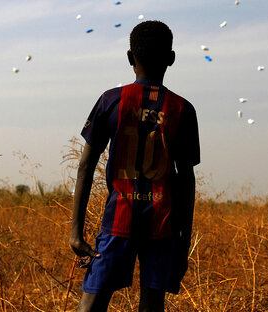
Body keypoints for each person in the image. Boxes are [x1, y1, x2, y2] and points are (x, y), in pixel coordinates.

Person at [69, 20, 200, 312]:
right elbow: (186, 181)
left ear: (130, 58)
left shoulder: (111, 100)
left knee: (91, 302)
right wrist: (183, 241)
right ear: (171, 59)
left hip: (119, 220)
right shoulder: (182, 109)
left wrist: (76, 231)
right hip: (163, 227)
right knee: (152, 305)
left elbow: (85, 167)